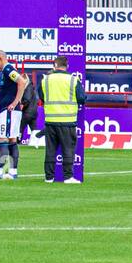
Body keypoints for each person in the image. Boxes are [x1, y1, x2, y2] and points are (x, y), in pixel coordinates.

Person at [39, 55, 86, 184]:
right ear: (67, 66)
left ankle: (49, 177)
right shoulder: (72, 80)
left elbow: (41, 95)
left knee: (50, 150)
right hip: (67, 121)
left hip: (50, 120)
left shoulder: (45, 80)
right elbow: (81, 98)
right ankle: (68, 177)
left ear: (55, 65)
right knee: (68, 149)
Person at [0, 51, 26, 180]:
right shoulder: (5, 71)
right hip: (11, 110)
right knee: (12, 140)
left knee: (2, 139)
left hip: (9, 110)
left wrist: (15, 102)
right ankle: (12, 171)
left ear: (0, 58)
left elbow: (22, 82)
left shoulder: (8, 69)